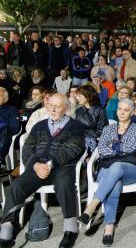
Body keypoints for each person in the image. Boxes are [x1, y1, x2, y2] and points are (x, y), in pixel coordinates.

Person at [0, 94, 85, 248]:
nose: (52, 109)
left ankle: (70, 228)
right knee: (16, 186)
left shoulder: (76, 126)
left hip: (62, 167)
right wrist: (35, 165)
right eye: (50, 105)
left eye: (57, 106)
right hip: (38, 166)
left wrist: (50, 164)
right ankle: (6, 228)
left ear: (66, 108)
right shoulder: (39, 126)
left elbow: (72, 149)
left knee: (64, 182)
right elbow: (27, 148)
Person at [78, 99, 136, 246]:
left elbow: (132, 148)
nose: (121, 112)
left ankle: (93, 205)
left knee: (117, 167)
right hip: (108, 170)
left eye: (126, 110)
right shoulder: (108, 129)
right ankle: (109, 227)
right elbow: (102, 150)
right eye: (119, 109)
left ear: (132, 112)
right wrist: (118, 147)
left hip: (130, 170)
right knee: (114, 182)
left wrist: (112, 146)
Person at [75, 85, 109, 153]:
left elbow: (101, 132)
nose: (77, 98)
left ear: (87, 97)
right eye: (77, 95)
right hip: (80, 139)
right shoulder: (78, 111)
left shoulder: (100, 111)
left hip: (94, 142)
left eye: (79, 96)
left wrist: (85, 133)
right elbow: (76, 129)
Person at [0, 87, 19, 166]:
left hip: (3, 134)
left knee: (6, 129)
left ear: (6, 98)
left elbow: (14, 127)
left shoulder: (12, 110)